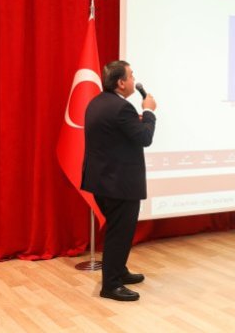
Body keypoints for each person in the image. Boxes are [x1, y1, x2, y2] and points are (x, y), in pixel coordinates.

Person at [81, 60, 157, 302]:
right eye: (131, 76)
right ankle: (111, 285)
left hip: (102, 182)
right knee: (119, 233)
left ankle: (119, 271)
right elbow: (144, 137)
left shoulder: (97, 103)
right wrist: (149, 111)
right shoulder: (122, 108)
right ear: (121, 83)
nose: (135, 80)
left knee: (119, 230)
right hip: (119, 184)